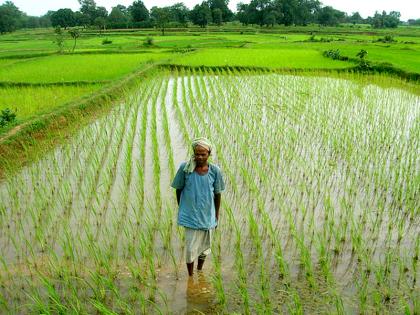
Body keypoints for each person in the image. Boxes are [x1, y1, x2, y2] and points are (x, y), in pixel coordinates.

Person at [171, 137, 225, 276]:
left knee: (205, 247)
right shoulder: (185, 169)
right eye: (197, 154)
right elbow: (178, 189)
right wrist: (182, 207)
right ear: (193, 153)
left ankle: (199, 270)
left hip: (207, 215)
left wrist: (216, 215)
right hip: (191, 216)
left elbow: (217, 194)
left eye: (203, 154)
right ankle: (190, 276)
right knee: (190, 249)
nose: (200, 157)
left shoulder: (215, 171)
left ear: (209, 154)